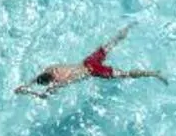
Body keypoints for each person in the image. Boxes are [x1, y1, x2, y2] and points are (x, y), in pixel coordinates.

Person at [16, 24, 166, 95]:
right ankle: (127, 29)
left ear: (50, 80)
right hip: (88, 62)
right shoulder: (51, 68)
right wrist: (26, 86)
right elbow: (37, 79)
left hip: (94, 71)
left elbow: (44, 95)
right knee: (110, 44)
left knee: (126, 74)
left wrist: (28, 91)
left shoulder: (59, 82)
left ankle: (153, 73)